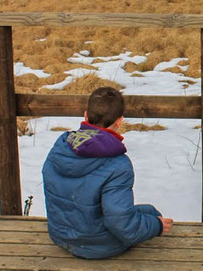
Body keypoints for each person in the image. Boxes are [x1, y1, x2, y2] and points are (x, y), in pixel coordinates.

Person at [42, 87, 173, 259]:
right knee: (153, 215)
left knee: (147, 212)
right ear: (119, 121)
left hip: (60, 236)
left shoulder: (60, 148)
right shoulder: (118, 165)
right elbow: (122, 224)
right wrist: (156, 227)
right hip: (98, 245)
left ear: (86, 116)